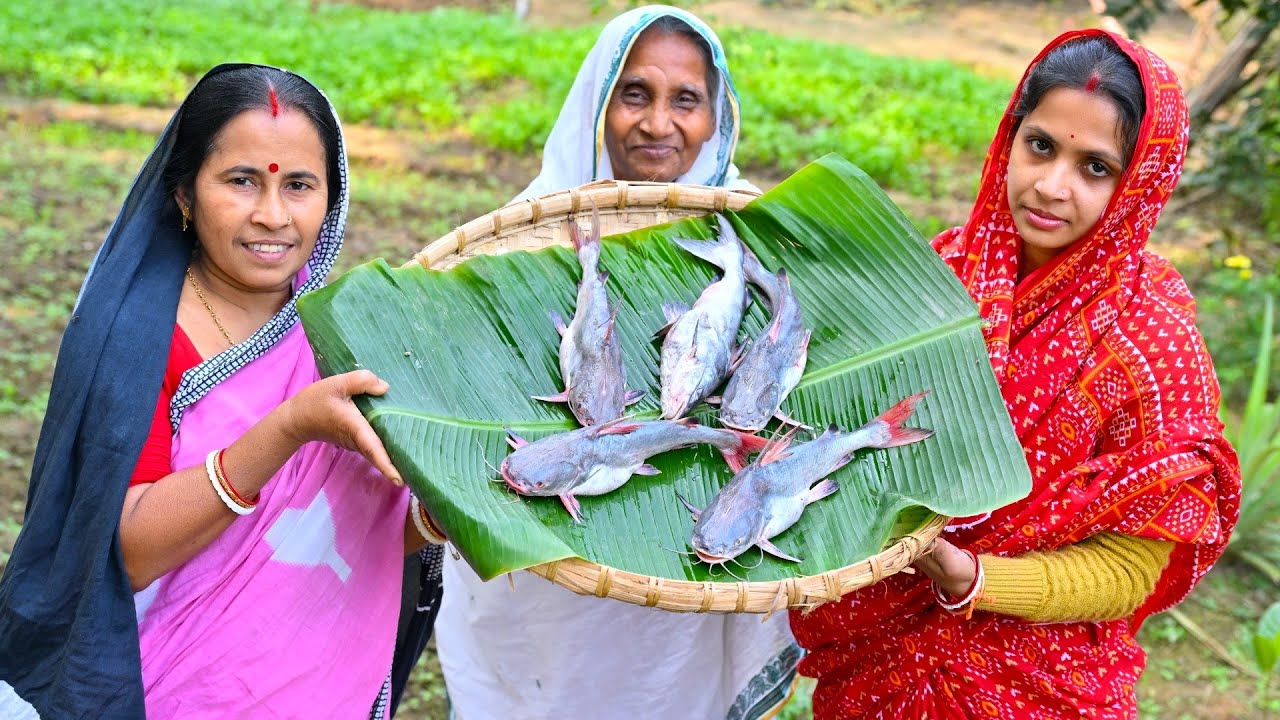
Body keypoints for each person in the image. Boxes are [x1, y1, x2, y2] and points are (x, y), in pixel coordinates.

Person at [789, 30, 1241, 718]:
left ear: (1139, 185)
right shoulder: (939, 281)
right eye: (1041, 146)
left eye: (1095, 168)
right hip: (876, 666)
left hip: (1035, 684)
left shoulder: (1153, 348)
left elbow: (1130, 568)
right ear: (1012, 136)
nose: (1052, 186)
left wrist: (972, 576)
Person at [0, 64, 447, 718]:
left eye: (299, 185)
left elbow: (356, 532)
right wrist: (287, 428)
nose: (272, 216)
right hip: (170, 690)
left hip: (319, 693)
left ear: (333, 196)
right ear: (183, 193)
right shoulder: (134, 341)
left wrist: (442, 511)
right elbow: (129, 553)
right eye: (241, 181)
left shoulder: (345, 334)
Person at [436, 7, 800, 720]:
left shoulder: (755, 233)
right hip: (544, 591)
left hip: (681, 576)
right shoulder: (526, 234)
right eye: (635, 94)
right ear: (597, 103)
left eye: (685, 100)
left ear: (716, 111)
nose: (657, 123)